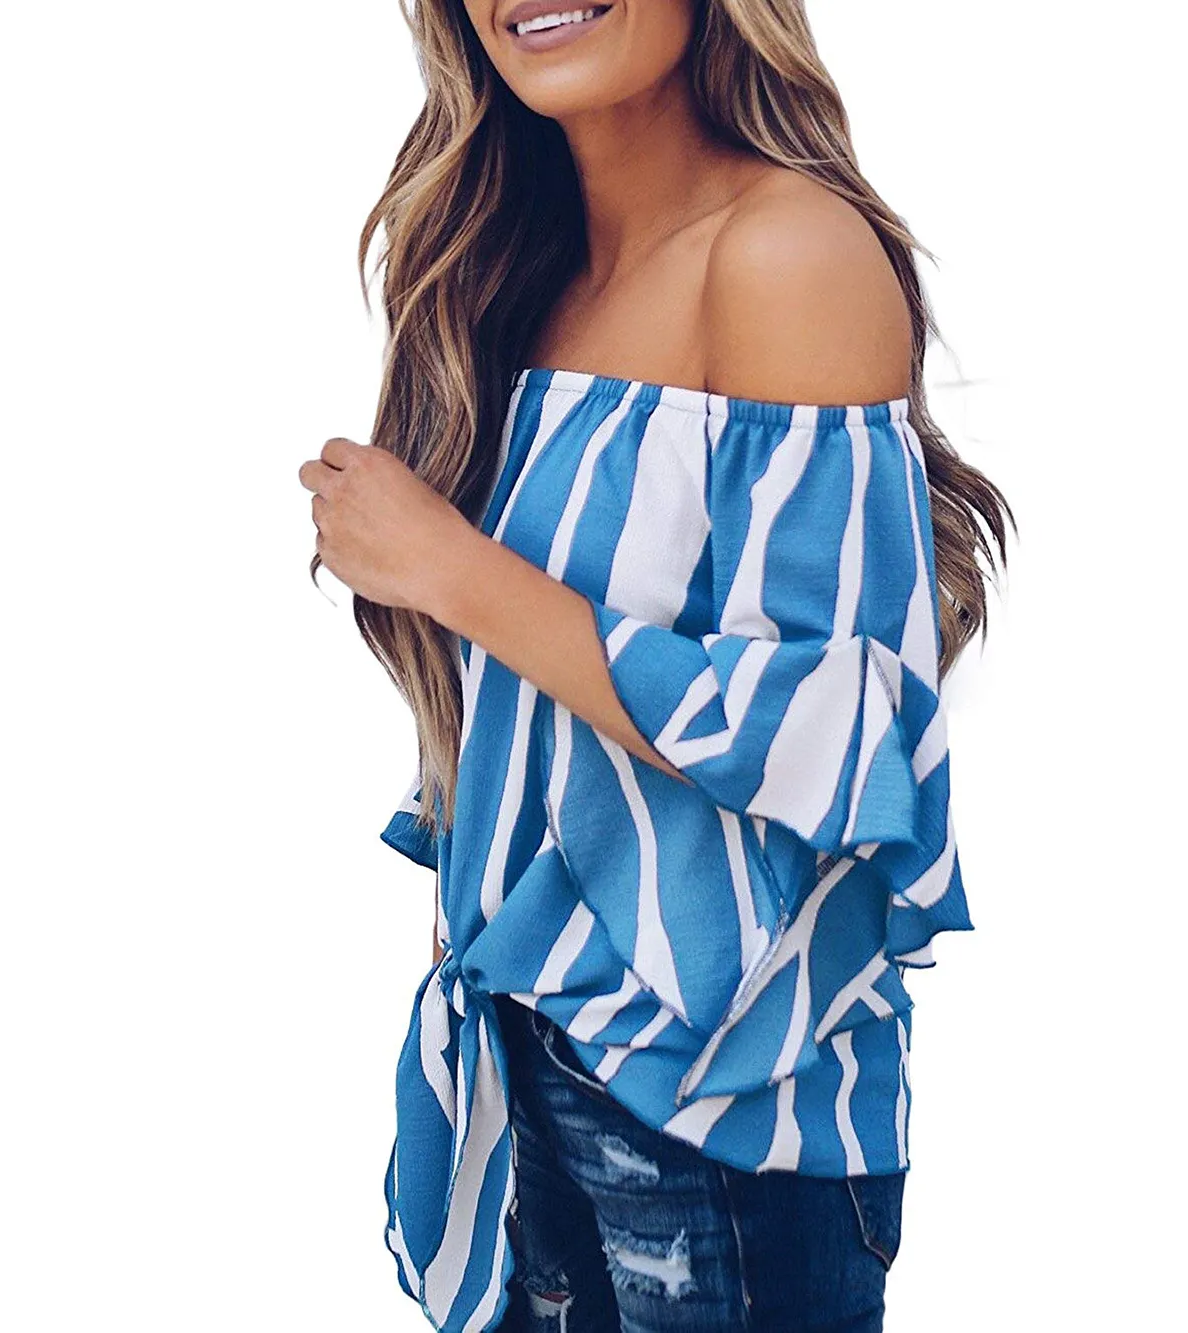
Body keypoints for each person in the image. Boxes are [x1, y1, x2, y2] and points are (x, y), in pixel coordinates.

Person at [299, 2, 1014, 1328]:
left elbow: (828, 734)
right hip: (527, 1060)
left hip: (727, 1112)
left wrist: (451, 569)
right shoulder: (520, 273)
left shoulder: (785, 254)